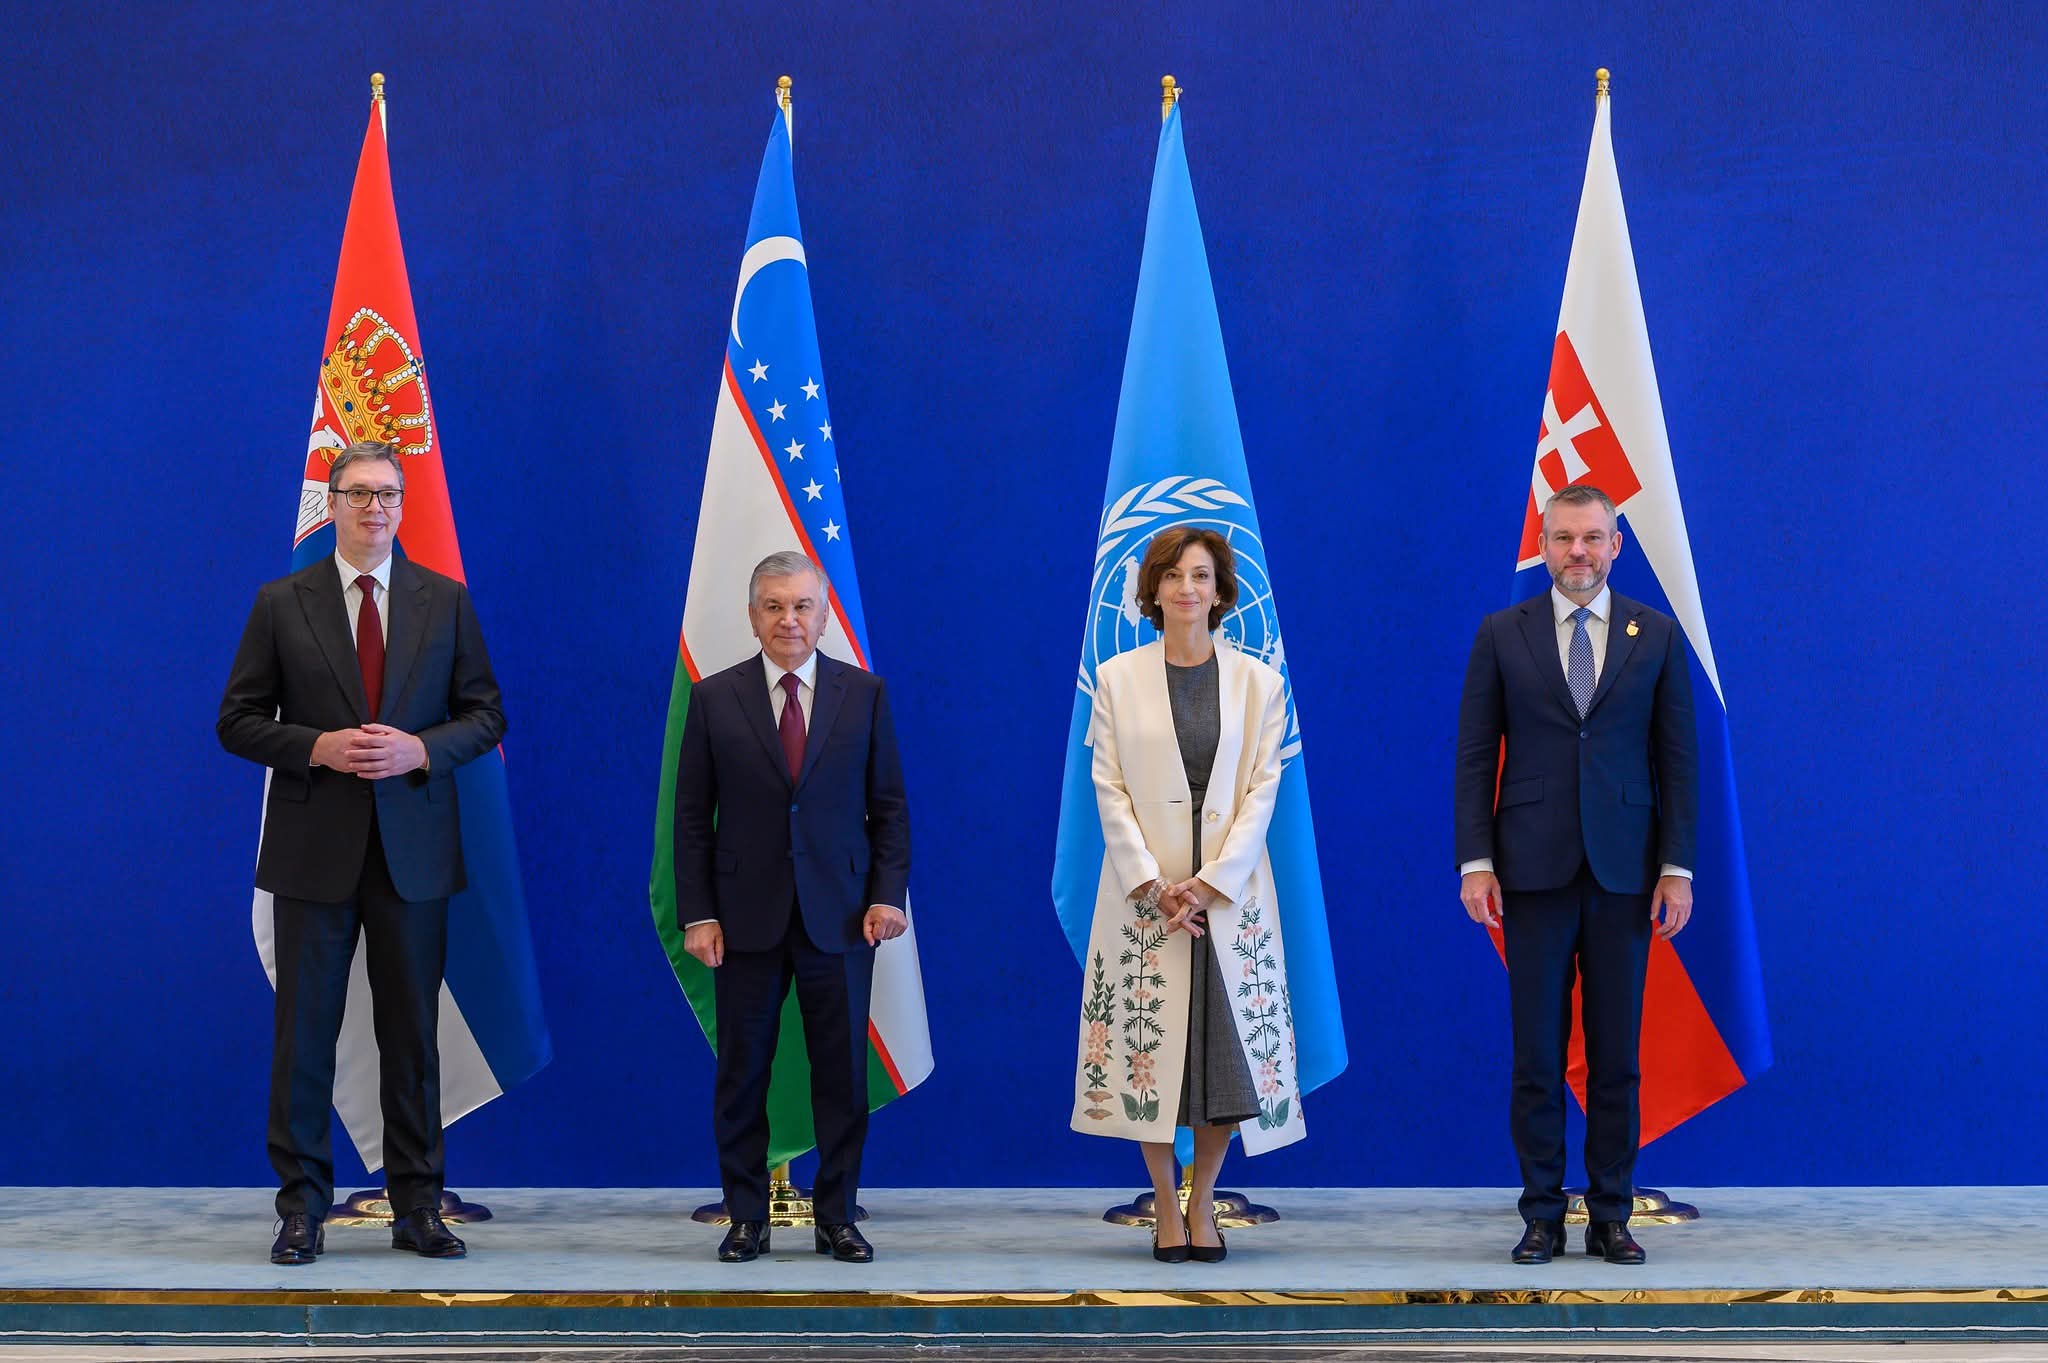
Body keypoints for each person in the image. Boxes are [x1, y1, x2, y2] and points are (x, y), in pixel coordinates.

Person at [218, 439, 505, 1265]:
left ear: (403, 506)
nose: (374, 508)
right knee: (304, 1037)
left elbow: (486, 714)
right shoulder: (283, 601)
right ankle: (301, 1209)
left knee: (412, 1037)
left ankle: (418, 1206)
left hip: (414, 853)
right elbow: (237, 720)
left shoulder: (444, 601)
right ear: (333, 504)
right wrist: (317, 746)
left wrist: (422, 750)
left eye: (387, 494)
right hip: (313, 851)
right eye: (358, 493)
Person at [1453, 483, 1699, 1266]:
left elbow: (1678, 762)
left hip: (1627, 875)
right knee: (1537, 1055)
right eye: (1563, 538)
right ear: (1544, 544)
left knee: (1616, 1057)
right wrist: (1476, 861)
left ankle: (1611, 1214)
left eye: (1592, 537)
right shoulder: (1503, 632)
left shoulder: (1656, 634)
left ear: (1615, 545)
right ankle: (1542, 1215)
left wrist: (1677, 868)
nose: (1578, 552)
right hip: (1530, 872)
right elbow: (1474, 756)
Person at [1070, 526, 1305, 1264]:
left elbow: (1264, 790)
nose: (1186, 588)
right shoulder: (1116, 679)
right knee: (1148, 1054)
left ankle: (1203, 1200)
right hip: (1149, 902)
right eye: (1172, 575)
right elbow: (1108, 787)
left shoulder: (1259, 682)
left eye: (1200, 575)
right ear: (1153, 590)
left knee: (1223, 1062)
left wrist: (1210, 883)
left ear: (1219, 589)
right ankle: (1164, 1204)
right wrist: (1154, 883)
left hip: (1227, 901)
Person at [672, 550, 911, 1265]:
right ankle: (746, 1217)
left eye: (802, 605)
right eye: (774, 606)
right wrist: (698, 913)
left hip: (841, 916)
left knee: (841, 1076)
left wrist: (885, 895)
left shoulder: (863, 694)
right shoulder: (714, 698)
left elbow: (890, 809)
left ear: (824, 615)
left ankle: (837, 1217)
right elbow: (691, 818)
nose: (789, 619)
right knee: (742, 1075)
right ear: (752, 616)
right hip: (742, 919)